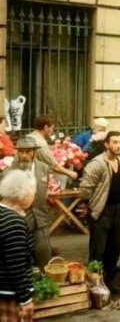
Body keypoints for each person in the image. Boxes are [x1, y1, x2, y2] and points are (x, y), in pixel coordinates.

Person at [79, 131, 120, 291]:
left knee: (115, 248)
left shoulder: (119, 160)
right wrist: (90, 205)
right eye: (114, 142)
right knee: (98, 251)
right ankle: (94, 287)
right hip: (101, 212)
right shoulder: (97, 163)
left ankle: (109, 282)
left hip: (117, 212)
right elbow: (84, 189)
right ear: (106, 144)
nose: (118, 145)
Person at [9, 137, 57, 268]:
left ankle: (44, 284)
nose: (24, 155)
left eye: (28, 151)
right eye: (21, 152)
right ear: (17, 152)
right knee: (19, 257)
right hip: (18, 221)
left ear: (34, 152)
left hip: (40, 218)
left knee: (44, 254)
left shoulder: (43, 168)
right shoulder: (9, 171)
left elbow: (44, 190)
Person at [0, 169, 37, 322]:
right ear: (23, 195)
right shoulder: (14, 222)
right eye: (33, 192)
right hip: (9, 294)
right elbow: (16, 265)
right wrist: (26, 299)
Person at [27, 114, 78, 182]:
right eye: (52, 128)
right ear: (46, 127)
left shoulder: (26, 137)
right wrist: (70, 173)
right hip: (35, 180)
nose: (52, 131)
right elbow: (54, 166)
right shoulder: (40, 142)